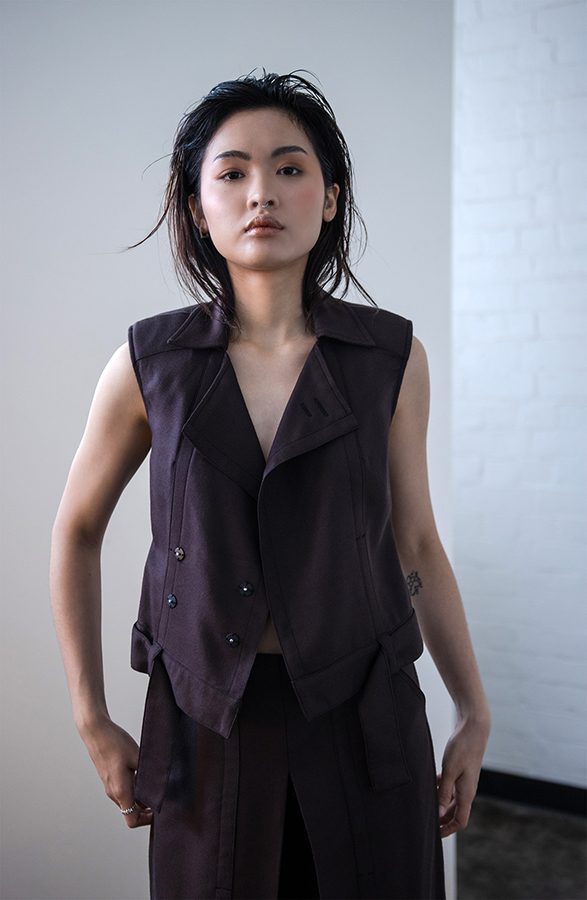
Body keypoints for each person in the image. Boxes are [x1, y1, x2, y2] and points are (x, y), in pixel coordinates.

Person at [50, 71, 491, 900]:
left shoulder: (389, 359)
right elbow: (75, 530)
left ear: (329, 199)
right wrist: (90, 714)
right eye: (232, 172)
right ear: (195, 205)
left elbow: (416, 542)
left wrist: (471, 710)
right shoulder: (149, 365)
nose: (262, 193)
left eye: (290, 169)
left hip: (365, 715)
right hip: (207, 720)